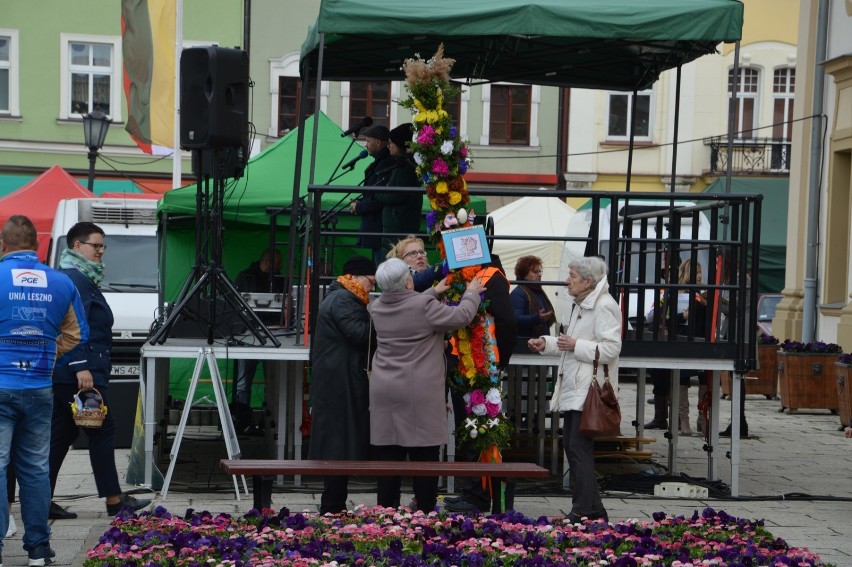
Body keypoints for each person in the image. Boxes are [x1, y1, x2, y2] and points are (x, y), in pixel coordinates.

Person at [0, 215, 89, 566]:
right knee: (36, 469)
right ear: (37, 246)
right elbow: (77, 334)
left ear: (3, 245)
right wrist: (49, 353)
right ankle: (38, 549)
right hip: (39, 385)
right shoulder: (61, 282)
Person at [48, 222, 151, 520]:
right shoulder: (76, 280)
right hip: (81, 372)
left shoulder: (80, 278)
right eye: (96, 245)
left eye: (103, 246)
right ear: (77, 246)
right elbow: (71, 325)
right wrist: (82, 366)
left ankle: (40, 500)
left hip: (72, 371)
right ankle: (114, 501)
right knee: (102, 431)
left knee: (61, 435)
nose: (101, 251)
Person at [368, 258, 483, 513]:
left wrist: (432, 291)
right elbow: (461, 316)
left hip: (385, 390)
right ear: (409, 282)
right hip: (418, 391)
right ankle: (425, 512)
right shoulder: (424, 306)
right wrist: (472, 293)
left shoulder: (375, 308)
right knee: (424, 458)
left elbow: (404, 304)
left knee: (389, 458)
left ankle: (386, 514)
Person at [528, 256, 620, 524]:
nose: (567, 280)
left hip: (587, 391)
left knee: (578, 449)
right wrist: (546, 343)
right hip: (576, 386)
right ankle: (595, 510)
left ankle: (582, 510)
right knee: (573, 447)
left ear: (588, 281)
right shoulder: (582, 304)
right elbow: (571, 343)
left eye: (572, 276)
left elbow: (611, 349)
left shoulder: (603, 306)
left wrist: (575, 345)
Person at [443, 255, 517, 513]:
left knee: (481, 429)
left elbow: (507, 322)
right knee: (469, 429)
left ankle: (484, 493)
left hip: (483, 367)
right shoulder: (461, 277)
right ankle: (474, 492)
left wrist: (501, 361)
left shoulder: (490, 276)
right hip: (463, 365)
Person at [308, 255, 377, 515]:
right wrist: (384, 321)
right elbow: (360, 335)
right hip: (340, 384)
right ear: (358, 277)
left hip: (337, 381)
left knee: (340, 443)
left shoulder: (342, 296)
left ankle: (334, 504)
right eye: (371, 281)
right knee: (339, 444)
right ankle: (333, 506)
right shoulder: (345, 300)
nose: (372, 286)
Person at [644, 258, 706, 435]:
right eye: (696, 272)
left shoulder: (703, 293)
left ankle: (697, 419)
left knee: (696, 376)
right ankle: (668, 418)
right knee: (664, 375)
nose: (700, 276)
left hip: (697, 339)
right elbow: (653, 316)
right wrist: (682, 316)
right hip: (673, 338)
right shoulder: (671, 293)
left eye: (700, 272)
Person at [231, 248, 284, 434]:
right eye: (278, 264)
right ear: (269, 263)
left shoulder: (279, 279)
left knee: (275, 380)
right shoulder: (245, 277)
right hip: (249, 335)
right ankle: (242, 421)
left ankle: (272, 420)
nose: (281, 267)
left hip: (276, 336)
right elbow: (234, 305)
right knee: (243, 382)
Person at [349, 124, 395, 264]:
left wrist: (359, 207)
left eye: (368, 141)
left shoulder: (384, 164)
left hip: (379, 227)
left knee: (382, 267)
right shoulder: (379, 163)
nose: (366, 145)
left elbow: (379, 198)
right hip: (376, 227)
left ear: (379, 142)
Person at [377, 123, 423, 253]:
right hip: (397, 225)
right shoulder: (402, 163)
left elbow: (395, 195)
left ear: (399, 144)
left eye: (391, 142)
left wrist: (377, 193)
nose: (388, 145)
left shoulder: (405, 167)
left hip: (398, 226)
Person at [510, 255, 556, 339]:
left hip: (539, 343)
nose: (539, 275)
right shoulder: (518, 293)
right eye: (535, 272)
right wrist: (537, 317)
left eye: (540, 272)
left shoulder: (538, 291)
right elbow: (515, 319)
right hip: (525, 345)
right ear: (524, 275)